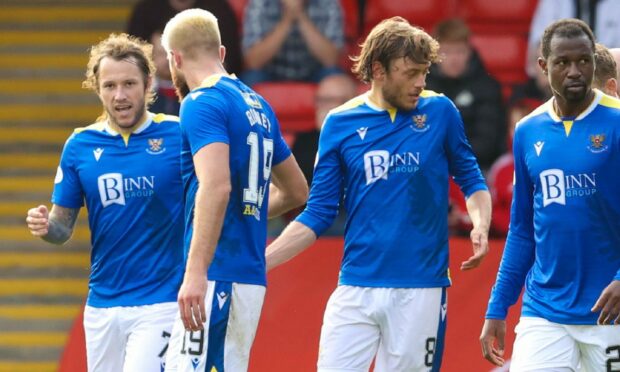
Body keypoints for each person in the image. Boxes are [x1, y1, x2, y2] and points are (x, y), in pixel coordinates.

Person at [266, 16, 492, 371]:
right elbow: (318, 212)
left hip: (421, 288)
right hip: (356, 286)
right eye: (410, 73)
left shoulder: (440, 112)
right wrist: (262, 262)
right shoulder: (339, 123)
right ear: (378, 69)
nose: (420, 83)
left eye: (424, 73)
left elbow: (472, 179)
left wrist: (480, 222)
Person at [25, 33, 184, 371]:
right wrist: (45, 226)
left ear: (148, 83)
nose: (120, 95)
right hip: (102, 306)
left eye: (129, 83)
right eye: (110, 86)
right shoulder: (79, 145)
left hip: (162, 301)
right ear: (97, 88)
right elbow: (62, 228)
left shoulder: (178, 134)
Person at [160, 8, 308, 371]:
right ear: (222, 53)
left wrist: (196, 271)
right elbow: (297, 191)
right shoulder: (258, 103)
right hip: (244, 275)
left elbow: (215, 185)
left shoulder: (201, 102)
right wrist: (250, 207)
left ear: (174, 59)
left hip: (218, 273)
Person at [480, 19, 620, 371]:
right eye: (563, 62)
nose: (575, 71)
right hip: (545, 310)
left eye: (583, 61)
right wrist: (498, 307)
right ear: (543, 66)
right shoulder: (527, 130)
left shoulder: (616, 121)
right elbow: (523, 229)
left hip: (609, 309)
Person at [425, 18, 506, 173]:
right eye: (446, 52)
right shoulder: (421, 87)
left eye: (460, 51)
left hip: (476, 167)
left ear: (469, 51)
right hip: (431, 165)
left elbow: (488, 142)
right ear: (434, 54)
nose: (454, 59)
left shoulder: (487, 86)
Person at [241, 0, 345, 86]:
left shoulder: (328, 3)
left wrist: (300, 15)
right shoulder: (260, 4)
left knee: (335, 78)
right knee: (250, 79)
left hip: (314, 72)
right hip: (271, 73)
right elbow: (253, 62)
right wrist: (287, 19)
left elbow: (331, 60)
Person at [126, 0, 242, 75]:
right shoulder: (145, 10)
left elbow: (231, 60)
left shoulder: (220, 9)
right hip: (155, 88)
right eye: (164, 53)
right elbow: (133, 58)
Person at [526, 0, 620, 77]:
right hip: (562, 66)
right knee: (546, 59)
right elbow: (539, 45)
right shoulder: (554, 2)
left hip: (605, 69)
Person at [150, 30, 181, 115]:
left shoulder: (194, 94)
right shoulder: (142, 95)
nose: (167, 59)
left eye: (172, 53)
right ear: (151, 57)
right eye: (161, 53)